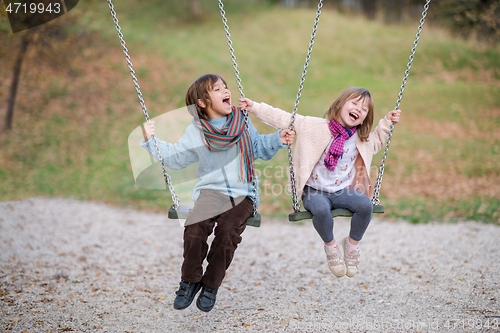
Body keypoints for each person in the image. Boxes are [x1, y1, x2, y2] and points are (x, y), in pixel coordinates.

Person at [141, 74, 295, 312]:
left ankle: (211, 285)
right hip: (211, 192)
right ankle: (189, 281)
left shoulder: (242, 121)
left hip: (242, 193)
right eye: (217, 89)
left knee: (227, 232)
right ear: (202, 102)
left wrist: (278, 138)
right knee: (194, 228)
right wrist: (151, 140)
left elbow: (258, 149)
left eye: (225, 87)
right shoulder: (197, 131)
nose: (226, 91)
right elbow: (176, 157)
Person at [238, 87, 400, 278]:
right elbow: (284, 118)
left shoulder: (361, 139)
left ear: (365, 118)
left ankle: (351, 246)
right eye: (354, 103)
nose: (359, 109)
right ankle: (331, 247)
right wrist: (255, 107)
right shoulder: (313, 126)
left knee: (365, 205)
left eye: (364, 109)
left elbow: (379, 140)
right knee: (321, 210)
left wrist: (387, 122)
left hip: (341, 191)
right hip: (314, 191)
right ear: (340, 105)